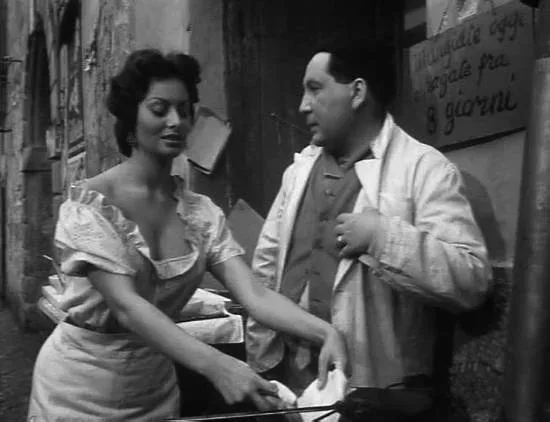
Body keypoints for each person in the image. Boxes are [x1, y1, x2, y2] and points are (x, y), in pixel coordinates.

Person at [27, 49, 348, 421]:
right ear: (131, 116)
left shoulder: (200, 215)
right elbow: (128, 307)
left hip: (153, 389)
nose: (175, 121)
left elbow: (255, 294)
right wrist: (218, 366)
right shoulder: (91, 204)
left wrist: (324, 332)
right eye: (159, 109)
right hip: (77, 387)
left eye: (184, 110)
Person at [246, 39, 492, 398]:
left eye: (315, 89)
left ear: (357, 92)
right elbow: (266, 269)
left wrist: (383, 238)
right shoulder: (298, 172)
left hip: (374, 389)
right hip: (290, 381)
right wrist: (261, 361)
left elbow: (472, 281)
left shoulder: (424, 169)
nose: (302, 105)